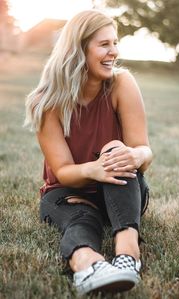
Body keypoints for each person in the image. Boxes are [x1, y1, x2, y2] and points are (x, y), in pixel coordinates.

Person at [24, 9, 153, 295]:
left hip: (123, 188)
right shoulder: (46, 102)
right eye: (104, 44)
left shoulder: (122, 83)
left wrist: (136, 156)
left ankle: (128, 257)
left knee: (115, 153)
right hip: (68, 192)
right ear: (79, 48)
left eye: (115, 43)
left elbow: (143, 149)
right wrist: (92, 170)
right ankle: (88, 266)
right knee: (82, 219)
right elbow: (63, 171)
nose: (114, 52)